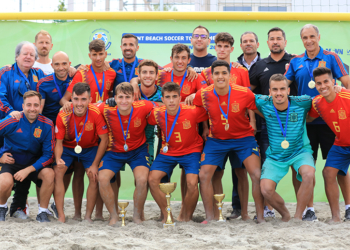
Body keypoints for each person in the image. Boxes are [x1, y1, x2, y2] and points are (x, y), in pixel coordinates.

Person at [285, 24, 350, 221]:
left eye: (312, 36)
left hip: (333, 123)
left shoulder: (331, 56)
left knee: (339, 169)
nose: (309, 40)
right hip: (308, 121)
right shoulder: (295, 61)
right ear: (301, 40)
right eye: (305, 37)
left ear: (319, 37)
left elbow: (346, 81)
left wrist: (343, 91)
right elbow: (283, 85)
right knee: (307, 167)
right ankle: (309, 210)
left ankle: (348, 207)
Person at [193, 60, 265, 223]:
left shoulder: (244, 93)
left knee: (255, 174)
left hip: (243, 139)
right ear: (211, 76)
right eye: (216, 73)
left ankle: (257, 216)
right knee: (204, 175)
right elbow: (195, 111)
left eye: (224, 73)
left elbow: (261, 110)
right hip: (216, 140)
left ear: (230, 76)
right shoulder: (203, 94)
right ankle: (210, 217)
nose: (220, 76)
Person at [200, 32, 253, 221]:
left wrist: (252, 124)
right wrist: (206, 127)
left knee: (240, 172)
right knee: (216, 173)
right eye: (219, 46)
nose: (222, 50)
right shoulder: (208, 71)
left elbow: (248, 100)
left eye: (226, 46)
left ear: (232, 49)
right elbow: (205, 103)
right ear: (214, 48)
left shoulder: (241, 71)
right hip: (217, 134)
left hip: (239, 132)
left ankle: (243, 212)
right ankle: (217, 212)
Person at [249, 27, 298, 218]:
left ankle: (305, 210)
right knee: (267, 167)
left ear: (285, 41)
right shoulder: (259, 66)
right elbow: (248, 95)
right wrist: (254, 117)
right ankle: (269, 209)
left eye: (279, 38)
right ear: (267, 43)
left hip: (293, 126)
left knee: (298, 168)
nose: (275, 41)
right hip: (267, 127)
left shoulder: (295, 61)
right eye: (272, 39)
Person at [256, 74, 316, 222]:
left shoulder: (303, 102)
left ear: (288, 90)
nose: (279, 93)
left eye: (282, 89)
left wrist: (337, 87)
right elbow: (241, 95)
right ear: (269, 91)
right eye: (275, 89)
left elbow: (323, 100)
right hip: (276, 155)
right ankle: (285, 215)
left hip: (300, 151)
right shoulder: (263, 102)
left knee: (308, 174)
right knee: (265, 189)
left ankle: (298, 216)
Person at [148, 82, 209, 222]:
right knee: (152, 179)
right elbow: (142, 116)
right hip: (168, 151)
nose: (171, 100)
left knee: (192, 183)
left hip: (191, 151)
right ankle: (167, 214)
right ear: (162, 99)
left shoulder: (192, 111)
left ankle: (185, 216)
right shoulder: (157, 114)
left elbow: (209, 111)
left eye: (174, 97)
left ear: (180, 97)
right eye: (167, 97)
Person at [98, 82, 155, 225]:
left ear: (133, 98)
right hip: (114, 151)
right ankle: (113, 216)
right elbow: (89, 105)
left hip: (138, 151)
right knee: (103, 179)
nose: (124, 101)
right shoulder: (106, 109)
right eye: (121, 97)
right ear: (115, 98)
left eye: (127, 97)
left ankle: (136, 216)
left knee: (142, 180)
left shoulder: (144, 106)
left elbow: (163, 105)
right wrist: (104, 101)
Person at [54, 83, 108, 223]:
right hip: (67, 148)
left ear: (89, 100)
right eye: (76, 99)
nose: (79, 103)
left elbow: (104, 139)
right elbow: (58, 142)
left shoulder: (96, 113)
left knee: (94, 176)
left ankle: (88, 216)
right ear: (71, 98)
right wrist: (58, 159)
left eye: (83, 99)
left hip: (90, 148)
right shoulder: (63, 113)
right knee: (58, 172)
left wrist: (95, 164)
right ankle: (61, 215)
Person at [0, 91, 55, 222]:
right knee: (4, 182)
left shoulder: (47, 124)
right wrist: (0, 156)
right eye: (29, 105)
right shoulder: (13, 120)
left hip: (33, 164)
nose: (32, 108)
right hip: (12, 161)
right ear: (23, 105)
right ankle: (2, 207)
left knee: (49, 174)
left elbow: (49, 155)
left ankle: (42, 212)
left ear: (40, 106)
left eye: (36, 105)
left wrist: (28, 169)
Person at [308, 67, 350, 222]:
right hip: (340, 145)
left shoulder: (347, 96)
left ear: (334, 82)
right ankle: (336, 217)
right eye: (319, 83)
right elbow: (309, 118)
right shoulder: (317, 103)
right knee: (328, 173)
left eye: (326, 81)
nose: (323, 86)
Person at [60, 39, 116, 110]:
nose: (98, 58)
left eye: (101, 54)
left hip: (105, 115)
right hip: (87, 116)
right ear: (90, 56)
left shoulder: (112, 73)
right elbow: (63, 100)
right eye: (94, 54)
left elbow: (109, 93)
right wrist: (73, 104)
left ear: (105, 54)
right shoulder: (82, 73)